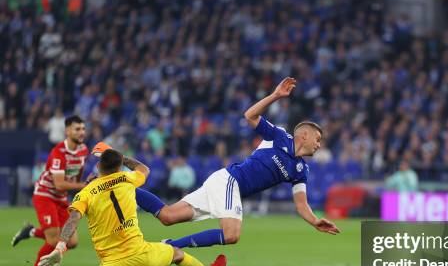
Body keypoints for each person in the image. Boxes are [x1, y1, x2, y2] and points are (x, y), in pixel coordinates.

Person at [95, 77, 340, 252]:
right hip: (229, 181)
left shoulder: (301, 170)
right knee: (232, 235)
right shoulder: (280, 136)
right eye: (317, 139)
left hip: (226, 187)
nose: (319, 145)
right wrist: (275, 96)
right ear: (304, 136)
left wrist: (315, 221)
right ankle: (170, 247)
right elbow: (250, 116)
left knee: (168, 216)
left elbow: (301, 205)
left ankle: (115, 185)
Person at [37, 149, 226, 266]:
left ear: (98, 166)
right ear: (119, 167)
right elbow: (144, 168)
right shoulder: (128, 180)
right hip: (143, 257)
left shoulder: (85, 194)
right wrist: (121, 157)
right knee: (176, 253)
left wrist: (61, 246)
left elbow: (73, 219)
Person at [11, 115, 89, 266]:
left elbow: (75, 176)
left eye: (83, 128)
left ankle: (31, 232)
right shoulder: (58, 152)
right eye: (77, 129)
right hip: (45, 195)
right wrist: (83, 185)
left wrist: (79, 188)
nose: (82, 132)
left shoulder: (83, 150)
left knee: (72, 241)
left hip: (61, 198)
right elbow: (59, 183)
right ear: (67, 131)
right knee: (54, 241)